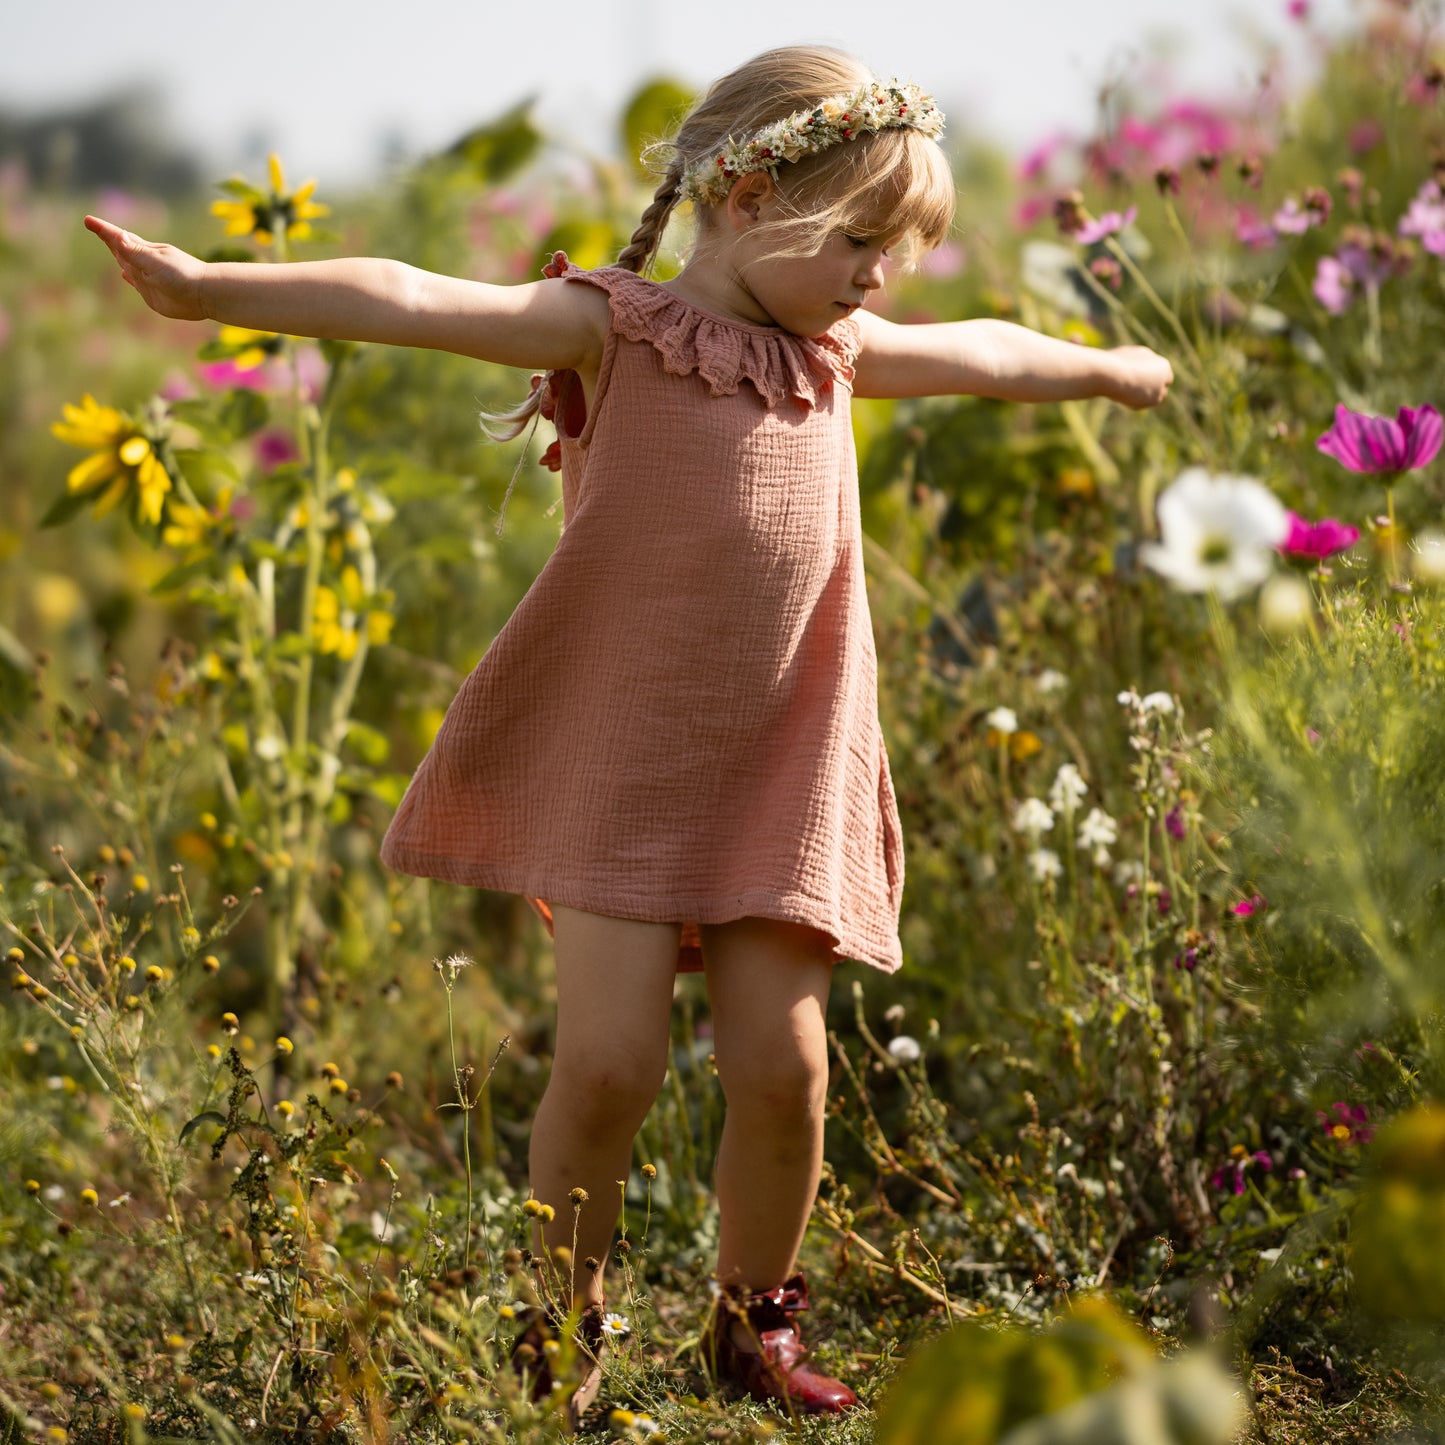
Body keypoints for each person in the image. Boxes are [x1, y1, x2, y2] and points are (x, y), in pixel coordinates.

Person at [85, 44, 1172, 1419]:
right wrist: (207, 288)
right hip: (624, 762)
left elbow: (992, 353)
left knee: (786, 1070)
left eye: (898, 250)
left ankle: (749, 1325)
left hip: (784, 756)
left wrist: (1108, 367)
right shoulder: (610, 327)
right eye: (857, 241)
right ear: (741, 198)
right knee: (608, 1066)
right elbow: (413, 293)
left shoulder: (836, 354)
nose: (880, 278)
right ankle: (558, 1328)